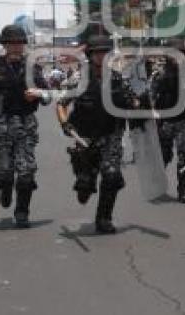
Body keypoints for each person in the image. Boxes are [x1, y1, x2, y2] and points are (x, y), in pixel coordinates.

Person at [0, 24, 52, 228]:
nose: (16, 47)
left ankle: (22, 212)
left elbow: (49, 95)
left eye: (19, 43)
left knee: (26, 172)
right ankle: (5, 188)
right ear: (4, 45)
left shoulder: (33, 68)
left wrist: (38, 93)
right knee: (5, 172)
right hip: (0, 127)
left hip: (26, 127)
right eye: (11, 43)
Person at [55, 34, 138, 234]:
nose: (102, 57)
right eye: (98, 53)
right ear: (90, 56)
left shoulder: (118, 79)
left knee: (111, 176)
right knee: (85, 184)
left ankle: (104, 218)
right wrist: (65, 124)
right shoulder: (78, 79)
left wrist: (138, 104)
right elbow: (61, 104)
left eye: (105, 53)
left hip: (111, 135)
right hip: (84, 138)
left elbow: (132, 102)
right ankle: (85, 181)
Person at [149, 48, 185, 203]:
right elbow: (149, 97)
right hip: (165, 122)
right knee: (164, 155)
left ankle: (184, 189)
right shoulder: (159, 76)